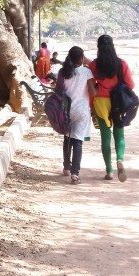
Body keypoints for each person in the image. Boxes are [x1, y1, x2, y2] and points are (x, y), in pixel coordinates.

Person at [88, 34, 134, 182]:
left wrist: (91, 105)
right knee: (119, 134)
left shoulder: (94, 65)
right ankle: (120, 160)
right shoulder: (122, 64)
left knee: (105, 136)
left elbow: (90, 86)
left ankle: (109, 171)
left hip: (100, 102)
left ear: (98, 47)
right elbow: (131, 85)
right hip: (118, 102)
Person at [58, 46, 95, 185]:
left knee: (67, 138)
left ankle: (66, 167)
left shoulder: (63, 72)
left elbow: (58, 90)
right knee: (77, 141)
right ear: (81, 58)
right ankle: (75, 174)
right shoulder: (86, 72)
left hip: (66, 110)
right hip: (81, 110)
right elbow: (92, 92)